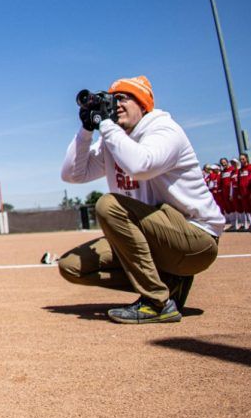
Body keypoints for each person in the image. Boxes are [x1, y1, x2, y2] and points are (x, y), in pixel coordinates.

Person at [58, 76, 224, 323]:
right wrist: (85, 131)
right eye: (112, 100)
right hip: (154, 237)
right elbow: (73, 174)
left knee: (109, 205)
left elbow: (140, 166)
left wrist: (106, 124)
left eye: (123, 98)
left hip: (195, 239)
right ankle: (168, 282)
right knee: (71, 266)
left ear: (143, 103)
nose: (116, 105)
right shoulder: (112, 139)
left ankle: (156, 302)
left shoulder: (164, 130)